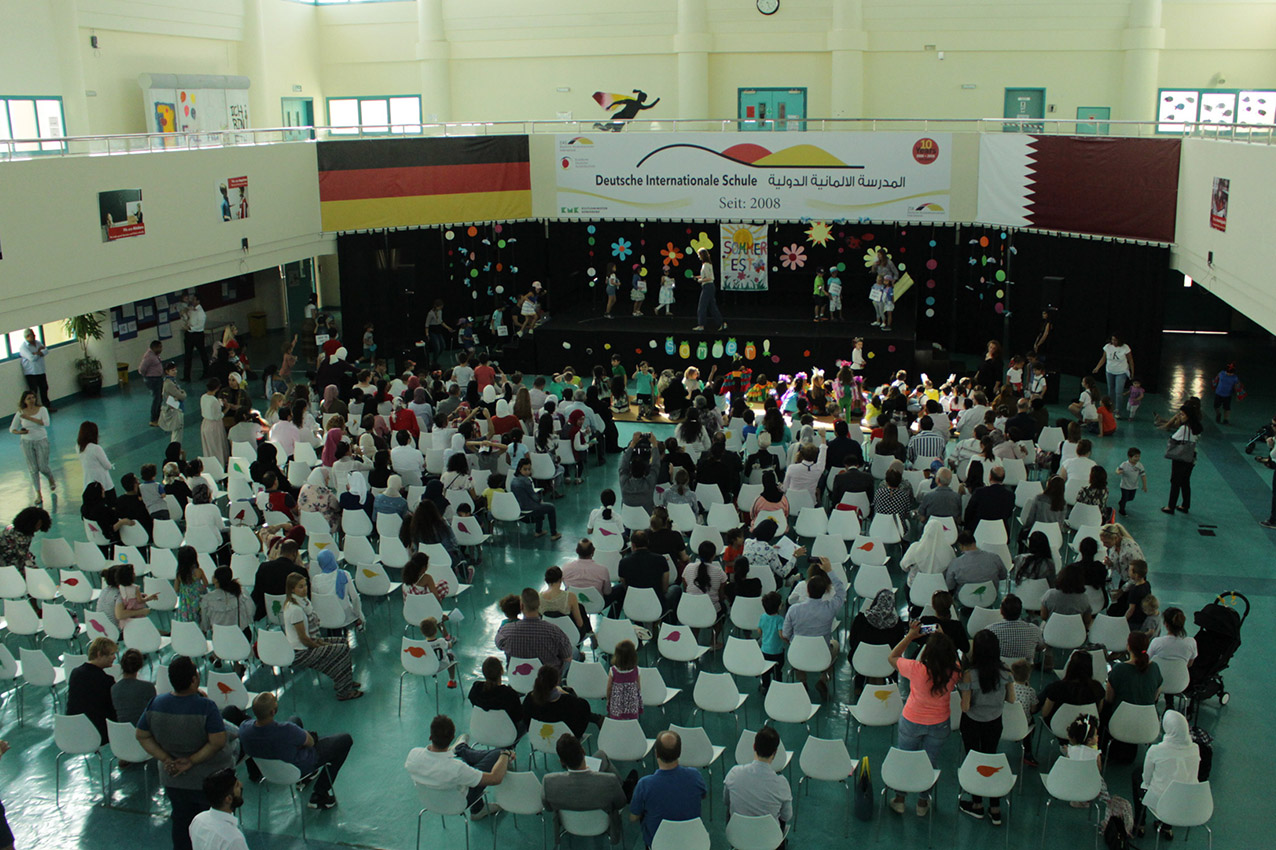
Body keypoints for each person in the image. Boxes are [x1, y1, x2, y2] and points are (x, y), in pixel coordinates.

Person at [136, 656, 235, 850]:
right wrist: (191, 761)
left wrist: (166, 758)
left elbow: (142, 735)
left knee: (181, 823)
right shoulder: (206, 707)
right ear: (194, 679)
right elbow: (217, 741)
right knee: (211, 827)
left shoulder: (156, 703)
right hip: (207, 780)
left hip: (173, 777)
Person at [887, 623, 961, 817]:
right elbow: (955, 658)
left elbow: (892, 657)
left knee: (905, 759)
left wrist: (910, 636)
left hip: (912, 720)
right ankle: (922, 802)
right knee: (930, 762)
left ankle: (900, 799)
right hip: (939, 723)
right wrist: (944, 638)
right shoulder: (955, 671)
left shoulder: (916, 668)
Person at [238, 692, 354, 810]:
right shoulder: (287, 730)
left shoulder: (244, 728)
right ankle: (320, 794)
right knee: (345, 740)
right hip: (299, 766)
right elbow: (311, 743)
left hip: (269, 771)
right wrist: (303, 736)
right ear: (273, 712)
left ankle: (306, 778)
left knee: (295, 719)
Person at [405, 714, 513, 820]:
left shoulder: (413, 754)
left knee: (470, 766)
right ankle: (461, 749)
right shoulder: (456, 768)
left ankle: (461, 749)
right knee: (497, 754)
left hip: (429, 801)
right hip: (457, 804)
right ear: (451, 738)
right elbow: (495, 778)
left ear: (430, 737)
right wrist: (505, 754)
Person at [956, 631, 1014, 825]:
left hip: (972, 722)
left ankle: (977, 804)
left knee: (975, 761)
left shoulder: (969, 675)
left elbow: (965, 707)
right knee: (991, 759)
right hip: (994, 722)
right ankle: (995, 807)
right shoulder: (1006, 671)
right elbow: (1011, 698)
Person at [280, 573, 362, 700]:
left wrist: (321, 643)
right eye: (300, 587)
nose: (305, 589)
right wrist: (321, 645)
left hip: (309, 643)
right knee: (341, 649)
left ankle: (345, 681)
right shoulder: (296, 610)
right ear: (292, 589)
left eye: (305, 585)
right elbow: (304, 639)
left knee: (342, 641)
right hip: (300, 651)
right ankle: (344, 692)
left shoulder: (304, 603)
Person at [542, 733, 636, 844]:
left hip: (570, 824)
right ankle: (625, 787)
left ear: (561, 761)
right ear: (583, 751)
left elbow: (548, 808)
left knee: (600, 755)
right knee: (601, 755)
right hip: (601, 822)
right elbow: (621, 803)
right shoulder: (609, 780)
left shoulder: (548, 782)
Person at [780, 557, 844, 699]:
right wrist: (830, 571)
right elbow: (841, 592)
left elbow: (785, 634)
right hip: (822, 652)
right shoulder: (830, 608)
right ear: (824, 591)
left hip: (798, 652)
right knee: (835, 645)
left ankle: (802, 681)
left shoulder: (794, 610)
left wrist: (793, 640)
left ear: (807, 590)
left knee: (795, 646)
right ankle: (823, 679)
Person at [629, 730, 707, 848]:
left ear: (656, 753)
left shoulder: (645, 784)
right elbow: (703, 795)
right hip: (692, 842)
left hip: (659, 845)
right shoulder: (695, 776)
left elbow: (633, 817)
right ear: (679, 752)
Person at [1133, 710, 1200, 839]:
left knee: (1137, 775)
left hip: (1162, 803)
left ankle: (1139, 824)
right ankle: (1166, 827)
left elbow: (1146, 779)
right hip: (1187, 801)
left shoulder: (1156, 750)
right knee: (1177, 783)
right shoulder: (1195, 749)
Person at [723, 725, 793, 827]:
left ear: (754, 746)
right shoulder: (782, 784)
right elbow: (786, 816)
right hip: (768, 835)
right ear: (775, 752)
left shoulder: (734, 773)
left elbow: (726, 801)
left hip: (738, 832)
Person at [495, 587, 574, 673]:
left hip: (517, 678)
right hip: (547, 679)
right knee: (574, 653)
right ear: (539, 605)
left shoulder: (506, 631)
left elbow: (499, 645)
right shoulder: (554, 631)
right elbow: (567, 658)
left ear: (521, 606)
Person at [523, 665, 599, 739]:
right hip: (567, 741)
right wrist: (570, 695)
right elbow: (581, 723)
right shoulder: (569, 702)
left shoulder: (529, 699)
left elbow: (526, 722)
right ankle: (599, 719)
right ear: (557, 682)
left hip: (539, 738)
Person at [67, 637, 118, 743]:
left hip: (74, 729)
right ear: (99, 654)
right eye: (111, 654)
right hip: (98, 732)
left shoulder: (75, 673)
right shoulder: (106, 680)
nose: (114, 657)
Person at [1157, 397, 1203, 514]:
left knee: (1175, 482)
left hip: (1181, 457)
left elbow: (1173, 438)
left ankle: (1170, 506)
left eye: (1182, 414)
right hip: (1192, 457)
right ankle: (1185, 505)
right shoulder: (1196, 427)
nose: (1180, 416)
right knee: (1185, 481)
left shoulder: (1184, 428)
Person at [10, 390, 55, 506]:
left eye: (33, 397)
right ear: (24, 401)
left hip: (41, 440)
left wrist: (29, 418)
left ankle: (50, 478)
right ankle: (38, 494)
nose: (31, 400)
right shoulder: (20, 412)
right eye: (28, 398)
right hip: (27, 442)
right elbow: (12, 429)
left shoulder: (42, 410)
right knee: (33, 469)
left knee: (43, 467)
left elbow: (46, 423)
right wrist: (20, 432)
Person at [1039, 651, 1105, 727]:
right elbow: (1098, 711)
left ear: (1070, 666)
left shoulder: (1056, 687)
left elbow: (1045, 713)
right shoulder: (1097, 688)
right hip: (1084, 728)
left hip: (1057, 726)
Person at [188, 768, 248, 850]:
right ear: (228, 799)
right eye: (237, 785)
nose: (241, 785)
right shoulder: (234, 839)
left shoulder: (198, 819)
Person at [1106, 631, 1163, 714]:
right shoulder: (1154, 667)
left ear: (1128, 647)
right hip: (1148, 717)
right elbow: (1155, 696)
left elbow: (1109, 699)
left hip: (1122, 717)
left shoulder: (1118, 669)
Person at [468, 656, 526, 737]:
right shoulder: (509, 694)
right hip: (507, 734)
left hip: (482, 731)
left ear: (483, 672)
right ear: (501, 671)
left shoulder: (476, 688)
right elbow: (518, 717)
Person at [251, 539, 307, 621]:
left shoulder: (263, 567)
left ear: (280, 552)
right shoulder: (300, 571)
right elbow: (306, 597)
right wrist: (300, 565)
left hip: (266, 611)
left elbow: (256, 593)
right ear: (295, 554)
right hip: (293, 614)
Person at [984, 594, 1045, 662]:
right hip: (1025, 667)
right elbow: (1041, 647)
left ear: (1001, 611)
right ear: (1020, 611)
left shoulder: (990, 630)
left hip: (999, 666)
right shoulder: (1034, 630)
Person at [511, 457, 560, 540]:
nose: (527, 472)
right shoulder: (526, 481)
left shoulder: (513, 481)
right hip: (529, 507)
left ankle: (539, 531)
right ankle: (554, 533)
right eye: (525, 469)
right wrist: (540, 499)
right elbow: (534, 496)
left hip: (518, 508)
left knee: (540, 507)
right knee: (551, 507)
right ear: (519, 469)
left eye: (529, 469)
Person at [112, 648, 158, 727]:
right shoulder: (148, 687)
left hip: (122, 731)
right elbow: (154, 712)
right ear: (140, 666)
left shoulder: (114, 688)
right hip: (143, 730)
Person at [562, 538, 616, 603]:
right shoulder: (603, 570)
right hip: (596, 604)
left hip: (573, 603)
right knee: (620, 588)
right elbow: (607, 592)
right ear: (593, 551)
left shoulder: (565, 568)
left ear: (576, 551)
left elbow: (566, 586)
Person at [0, 506, 50, 574]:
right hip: (8, 569)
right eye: (38, 525)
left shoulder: (12, 528)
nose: (38, 527)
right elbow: (21, 558)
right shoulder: (20, 537)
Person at [963, 464, 1014, 530]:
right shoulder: (1010, 496)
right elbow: (1008, 514)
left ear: (990, 477)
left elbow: (969, 512)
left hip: (979, 530)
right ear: (1003, 479)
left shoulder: (979, 492)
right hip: (1000, 531)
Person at [1093, 334, 1133, 410]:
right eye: (1112, 340)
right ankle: (1110, 408)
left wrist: (1132, 372)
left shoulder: (1125, 347)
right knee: (1110, 390)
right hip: (1110, 371)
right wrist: (1097, 367)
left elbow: (1130, 360)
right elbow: (1103, 358)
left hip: (1121, 372)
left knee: (1118, 392)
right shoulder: (1107, 347)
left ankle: (1118, 410)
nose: (1113, 341)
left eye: (1115, 340)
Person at [18, 328, 54, 410]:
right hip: (31, 373)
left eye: (34, 335)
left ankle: (47, 406)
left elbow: (46, 350)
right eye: (32, 335)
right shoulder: (23, 347)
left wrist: (37, 353)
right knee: (33, 392)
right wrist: (39, 353)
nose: (34, 337)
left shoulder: (37, 342)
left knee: (44, 388)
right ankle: (34, 409)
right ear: (27, 337)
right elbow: (32, 358)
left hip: (41, 370)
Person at [606, 639, 643, 720]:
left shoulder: (613, 670)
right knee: (632, 721)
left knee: (616, 721)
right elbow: (638, 687)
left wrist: (608, 699)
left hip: (617, 703)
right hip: (632, 703)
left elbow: (609, 688)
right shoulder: (637, 670)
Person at [77, 421, 115, 499]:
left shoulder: (78, 447)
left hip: (88, 482)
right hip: (104, 484)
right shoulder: (96, 448)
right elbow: (107, 466)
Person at [692, 247, 725, 332]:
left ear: (702, 255)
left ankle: (701, 325)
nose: (698, 256)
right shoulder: (708, 264)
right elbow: (706, 276)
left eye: (699, 255)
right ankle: (722, 324)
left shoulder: (706, 265)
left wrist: (700, 280)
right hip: (710, 287)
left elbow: (710, 278)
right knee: (712, 307)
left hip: (708, 287)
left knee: (702, 306)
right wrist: (697, 277)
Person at [199, 380, 229, 469]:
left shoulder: (203, 397)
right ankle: (219, 466)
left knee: (208, 447)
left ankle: (210, 466)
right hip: (214, 425)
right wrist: (227, 408)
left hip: (205, 423)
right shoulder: (214, 400)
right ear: (217, 388)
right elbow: (218, 416)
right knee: (216, 447)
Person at [182, 295, 208, 383]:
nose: (192, 300)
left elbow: (200, 326)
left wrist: (190, 328)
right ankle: (186, 376)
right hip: (189, 334)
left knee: (202, 354)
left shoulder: (201, 312)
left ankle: (206, 372)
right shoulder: (191, 309)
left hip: (197, 335)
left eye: (194, 299)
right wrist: (184, 314)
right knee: (187, 355)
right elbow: (187, 319)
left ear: (198, 301)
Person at [1115, 447, 1148, 517]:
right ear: (1130, 457)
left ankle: (1121, 502)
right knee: (1125, 498)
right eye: (1135, 456)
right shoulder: (1124, 464)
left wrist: (1144, 485)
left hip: (1134, 486)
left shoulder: (1139, 465)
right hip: (1124, 486)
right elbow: (1118, 469)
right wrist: (1118, 472)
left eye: (1139, 456)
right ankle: (1121, 510)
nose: (1138, 458)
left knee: (1131, 498)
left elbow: (1143, 475)